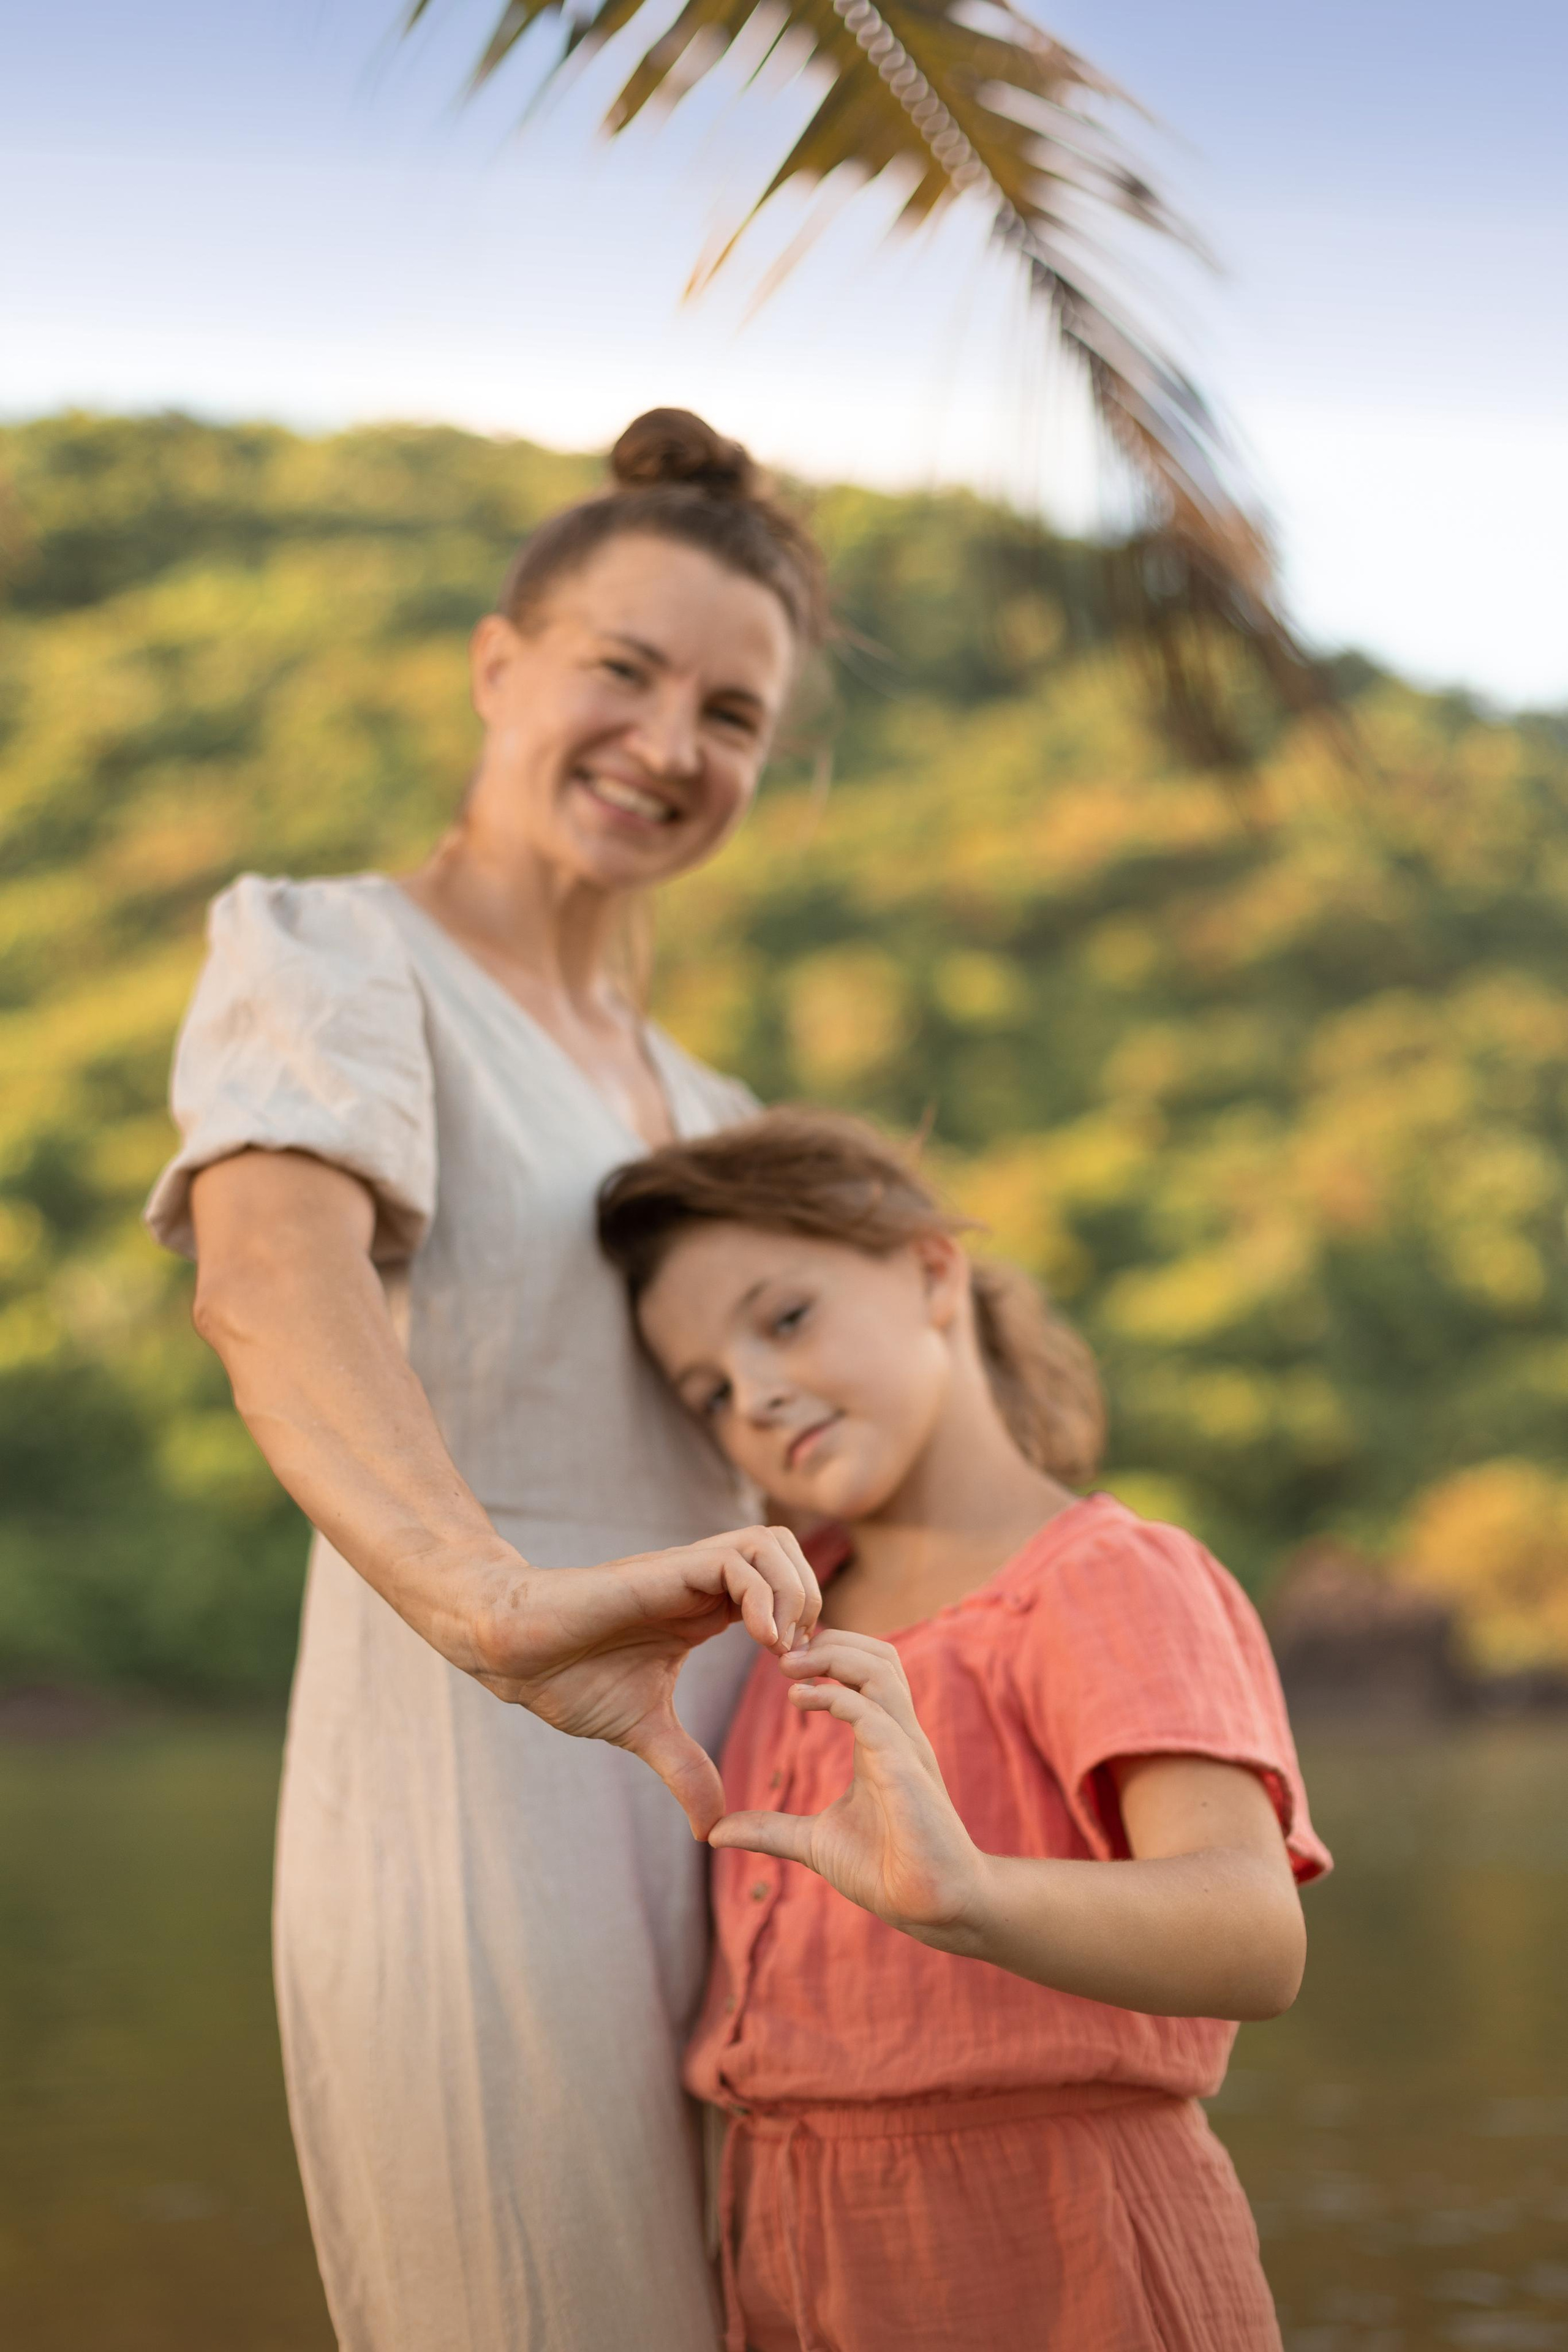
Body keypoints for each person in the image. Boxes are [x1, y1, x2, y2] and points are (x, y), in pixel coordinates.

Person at [143, 412, 831, 2352]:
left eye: (732, 711)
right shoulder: (338, 954)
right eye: (622, 668)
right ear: (498, 662)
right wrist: (492, 1605)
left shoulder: (717, 1115)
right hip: (478, 1789)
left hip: (747, 1817)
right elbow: (273, 1278)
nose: (670, 742)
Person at [597, 1107, 1333, 2352]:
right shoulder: (779, 1610)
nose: (759, 1393)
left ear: (933, 1270)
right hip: (796, 2259)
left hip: (1063, 2255)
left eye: (783, 1320)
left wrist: (970, 1896)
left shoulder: (1104, 1577)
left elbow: (1253, 1937)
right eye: (710, 1393)